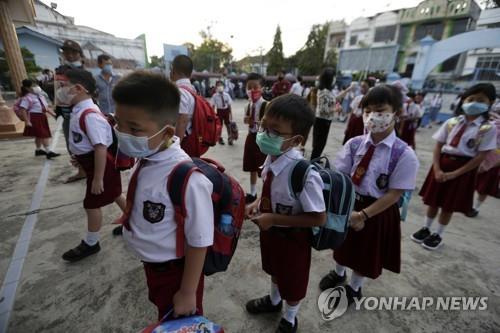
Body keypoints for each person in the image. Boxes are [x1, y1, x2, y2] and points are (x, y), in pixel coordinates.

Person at [112, 71, 213, 319]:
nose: (122, 133)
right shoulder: (148, 156)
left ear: (167, 133)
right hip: (154, 266)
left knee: (178, 322)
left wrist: (188, 291)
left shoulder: (187, 178)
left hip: (175, 273)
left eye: (134, 129)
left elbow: (199, 240)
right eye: (118, 123)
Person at [319, 85, 419, 304]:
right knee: (342, 242)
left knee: (364, 253)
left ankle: (355, 288)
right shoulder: (354, 144)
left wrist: (363, 215)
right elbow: (342, 176)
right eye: (368, 110)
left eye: (381, 110)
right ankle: (339, 272)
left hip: (377, 210)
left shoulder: (404, 154)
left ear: (396, 113)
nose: (374, 116)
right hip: (349, 202)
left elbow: (394, 194)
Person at [245, 94, 326, 333]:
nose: (264, 133)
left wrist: (274, 219)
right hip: (271, 233)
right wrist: (259, 203)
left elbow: (318, 217)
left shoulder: (304, 173)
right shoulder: (273, 156)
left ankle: (290, 318)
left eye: (274, 131)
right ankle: (273, 301)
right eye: (263, 126)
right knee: (274, 270)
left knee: (293, 281)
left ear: (296, 140)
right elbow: (272, 189)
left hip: (294, 239)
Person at [414, 83, 497, 250]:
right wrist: (437, 168)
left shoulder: (487, 128)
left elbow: (481, 156)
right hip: (442, 163)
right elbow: (438, 146)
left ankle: (438, 233)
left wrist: (455, 174)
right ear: (463, 100)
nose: (474, 103)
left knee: (448, 205)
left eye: (480, 100)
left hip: (463, 168)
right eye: (471, 99)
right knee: (433, 201)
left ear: (490, 102)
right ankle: (426, 228)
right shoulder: (452, 122)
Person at [60, 69, 126, 262]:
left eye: (62, 86)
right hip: (94, 165)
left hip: (101, 166)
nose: (59, 91)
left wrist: (97, 178)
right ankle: (135, 223)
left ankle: (91, 243)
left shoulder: (89, 115)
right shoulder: (80, 110)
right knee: (115, 194)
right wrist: (80, 159)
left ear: (78, 88)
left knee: (91, 205)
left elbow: (100, 148)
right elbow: (85, 142)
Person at [55, 39, 88, 183]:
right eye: (66, 52)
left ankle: (92, 169)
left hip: (83, 112)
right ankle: (81, 170)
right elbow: (58, 91)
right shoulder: (60, 70)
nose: (69, 55)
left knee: (89, 142)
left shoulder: (84, 72)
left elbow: (91, 93)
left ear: (79, 54)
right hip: (67, 113)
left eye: (73, 52)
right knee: (72, 144)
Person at [310, 68, 354, 160]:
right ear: (329, 79)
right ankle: (313, 161)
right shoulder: (323, 92)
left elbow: (335, 99)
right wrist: (336, 109)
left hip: (325, 120)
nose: (335, 79)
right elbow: (323, 110)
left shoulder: (328, 91)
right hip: (321, 120)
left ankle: (316, 159)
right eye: (333, 77)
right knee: (319, 143)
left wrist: (347, 90)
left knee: (321, 143)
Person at [243, 73, 268, 204]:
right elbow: (246, 120)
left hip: (262, 140)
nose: (252, 90)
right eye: (249, 87)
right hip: (251, 137)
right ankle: (253, 193)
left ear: (262, 88)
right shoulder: (248, 105)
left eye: (255, 87)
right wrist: (247, 120)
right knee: (251, 166)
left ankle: (266, 195)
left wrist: (256, 123)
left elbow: (269, 125)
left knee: (263, 169)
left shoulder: (266, 105)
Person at [18, 79, 60, 158]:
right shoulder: (27, 98)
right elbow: (23, 109)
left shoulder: (40, 96)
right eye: (33, 86)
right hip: (34, 117)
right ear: (27, 88)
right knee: (43, 134)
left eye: (36, 85)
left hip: (41, 116)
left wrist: (53, 114)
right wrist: (27, 121)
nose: (36, 87)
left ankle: (38, 150)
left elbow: (45, 107)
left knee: (39, 135)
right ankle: (48, 151)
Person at [170, 55, 195, 147]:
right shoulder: (192, 89)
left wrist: (176, 147)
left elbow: (182, 121)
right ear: (191, 74)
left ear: (172, 71)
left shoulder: (180, 91)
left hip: (183, 142)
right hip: (190, 137)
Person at [342, 78, 375, 145]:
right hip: (354, 122)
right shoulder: (358, 98)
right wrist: (347, 126)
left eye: (364, 86)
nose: (362, 88)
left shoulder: (372, 101)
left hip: (363, 124)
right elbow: (351, 112)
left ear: (370, 87)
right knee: (350, 142)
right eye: (361, 86)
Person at [211, 80, 233, 145]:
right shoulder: (215, 96)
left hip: (226, 111)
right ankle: (220, 138)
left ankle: (230, 138)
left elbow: (229, 105)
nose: (220, 87)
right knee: (219, 125)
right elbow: (213, 105)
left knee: (228, 125)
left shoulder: (227, 95)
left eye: (221, 85)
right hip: (219, 111)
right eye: (218, 85)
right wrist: (213, 114)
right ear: (216, 87)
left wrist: (231, 114)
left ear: (223, 86)